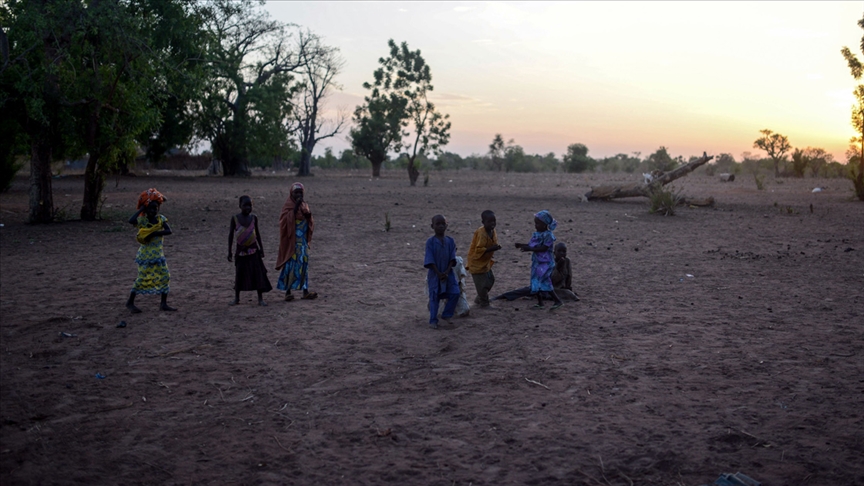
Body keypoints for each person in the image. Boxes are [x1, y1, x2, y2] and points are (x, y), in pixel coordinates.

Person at [126, 189, 175, 313]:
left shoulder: (160, 219)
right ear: (146, 209)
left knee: (165, 276)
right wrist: (141, 209)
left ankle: (163, 303)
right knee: (142, 278)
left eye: (156, 208)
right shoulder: (143, 221)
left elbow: (169, 231)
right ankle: (130, 302)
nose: (154, 211)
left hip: (158, 255)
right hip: (145, 255)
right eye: (151, 208)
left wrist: (153, 234)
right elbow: (131, 221)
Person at [228, 195, 273, 306]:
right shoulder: (235, 218)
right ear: (240, 206)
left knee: (258, 274)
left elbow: (257, 234)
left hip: (253, 251)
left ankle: (260, 299)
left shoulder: (253, 218)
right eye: (245, 205)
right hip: (241, 252)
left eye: (250, 205)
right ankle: (237, 298)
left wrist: (261, 248)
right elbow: (231, 235)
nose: (248, 208)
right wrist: (229, 251)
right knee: (239, 274)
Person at [276, 182, 317, 301]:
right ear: (291, 193)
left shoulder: (305, 206)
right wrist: (295, 209)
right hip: (292, 243)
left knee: (303, 265)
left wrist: (308, 216)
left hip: (302, 242)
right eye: (296, 192)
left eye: (301, 192)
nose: (299, 195)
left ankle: (305, 291)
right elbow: (284, 222)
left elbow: (310, 222)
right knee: (290, 265)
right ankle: (288, 292)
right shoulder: (288, 206)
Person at [514, 210, 563, 310]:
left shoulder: (548, 235)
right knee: (536, 281)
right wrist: (522, 245)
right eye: (535, 223)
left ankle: (557, 301)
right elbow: (533, 246)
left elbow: (544, 248)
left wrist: (530, 249)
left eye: (538, 223)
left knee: (544, 281)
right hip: (537, 262)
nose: (536, 225)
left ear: (545, 224)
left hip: (546, 262)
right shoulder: (536, 234)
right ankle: (540, 303)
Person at [424, 214, 460, 329]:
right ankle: (433, 321)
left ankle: (447, 314)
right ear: (432, 226)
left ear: (447, 225)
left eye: (443, 224)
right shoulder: (430, 242)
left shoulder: (450, 241)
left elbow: (452, 258)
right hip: (435, 274)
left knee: (455, 292)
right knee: (434, 297)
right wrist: (438, 273)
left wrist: (446, 271)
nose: (440, 226)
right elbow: (430, 259)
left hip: (448, 273)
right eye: (437, 224)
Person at [467, 210, 502, 308]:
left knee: (490, 280)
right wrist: (491, 249)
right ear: (483, 222)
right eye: (489, 222)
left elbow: (493, 243)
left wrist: (495, 247)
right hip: (476, 262)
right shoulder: (481, 233)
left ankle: (479, 298)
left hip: (485, 262)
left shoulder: (492, 231)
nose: (492, 224)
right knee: (481, 285)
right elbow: (478, 250)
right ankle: (484, 302)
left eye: (494, 221)